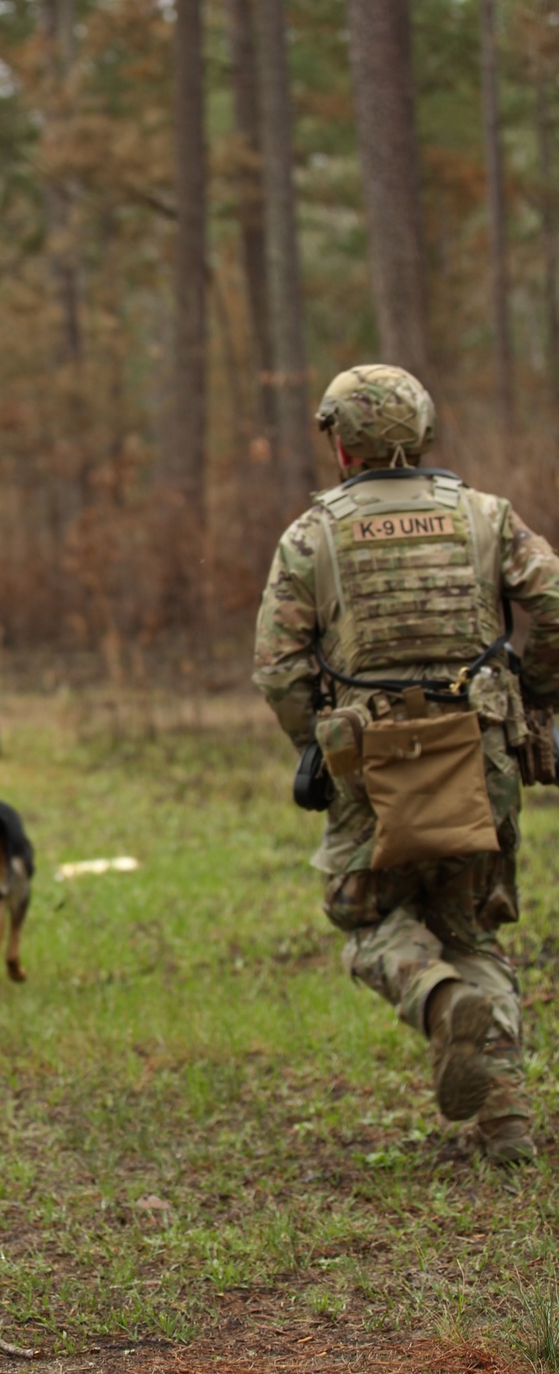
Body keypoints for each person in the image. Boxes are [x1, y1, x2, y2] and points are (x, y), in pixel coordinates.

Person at [252, 364, 559, 1164]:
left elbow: (278, 664)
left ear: (341, 445)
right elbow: (555, 602)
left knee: (364, 917)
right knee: (474, 924)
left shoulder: (312, 535)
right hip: (479, 753)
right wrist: (539, 696)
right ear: (420, 432)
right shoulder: (485, 516)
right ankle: (506, 1119)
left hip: (371, 765)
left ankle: (432, 994)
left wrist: (317, 742)